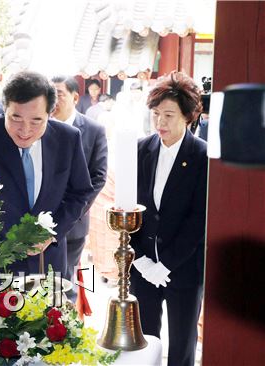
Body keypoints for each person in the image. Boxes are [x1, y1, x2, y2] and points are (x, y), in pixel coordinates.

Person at [0, 71, 94, 278]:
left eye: (36, 121)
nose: (24, 130)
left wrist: (52, 232)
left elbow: (81, 193)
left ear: (50, 114)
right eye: (15, 118)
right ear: (4, 108)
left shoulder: (67, 138)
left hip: (49, 261)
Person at [129, 71, 207, 366]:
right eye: (156, 114)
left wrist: (167, 264)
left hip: (184, 267)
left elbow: (199, 218)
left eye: (169, 115)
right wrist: (141, 260)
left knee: (182, 347)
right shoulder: (139, 149)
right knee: (145, 344)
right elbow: (127, 206)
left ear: (188, 116)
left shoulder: (202, 156)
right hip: (143, 265)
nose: (160, 122)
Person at [50, 75, 108, 307]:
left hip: (74, 223)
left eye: (59, 93)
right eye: (50, 93)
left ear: (75, 97)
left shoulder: (93, 130)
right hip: (39, 219)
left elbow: (98, 176)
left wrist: (72, 211)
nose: (54, 100)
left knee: (65, 281)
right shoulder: (40, 124)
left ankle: (67, 333)